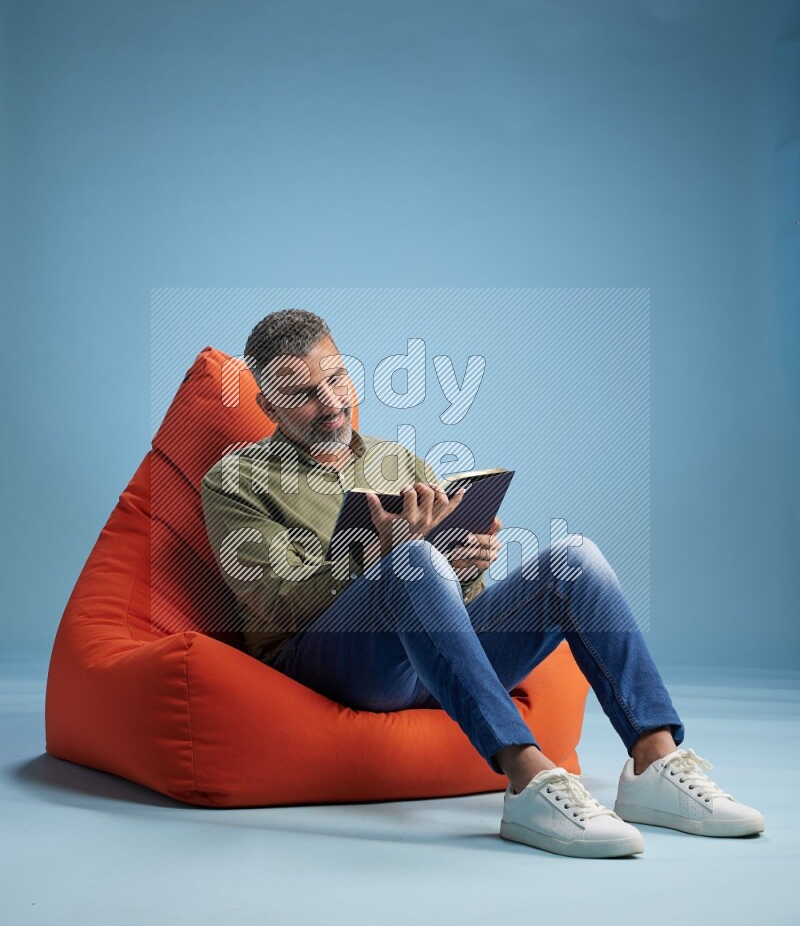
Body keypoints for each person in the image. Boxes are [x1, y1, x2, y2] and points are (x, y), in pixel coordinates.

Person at [201, 308, 765, 859]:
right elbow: (272, 600)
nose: (330, 403)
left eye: (337, 378)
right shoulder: (235, 479)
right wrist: (381, 556)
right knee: (410, 562)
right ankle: (527, 780)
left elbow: (450, 609)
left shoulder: (399, 460)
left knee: (576, 559)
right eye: (301, 393)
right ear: (266, 403)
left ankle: (653, 762)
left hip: (431, 667)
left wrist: (467, 567)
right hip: (329, 665)